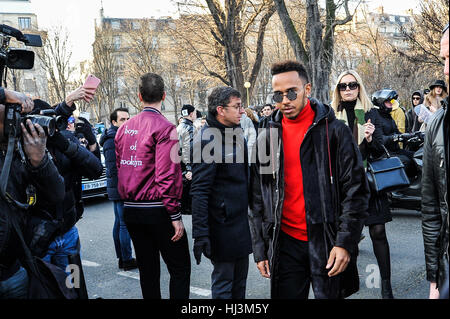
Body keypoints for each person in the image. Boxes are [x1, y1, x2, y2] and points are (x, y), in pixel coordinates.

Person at [248, 60, 369, 299]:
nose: (285, 100)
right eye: (278, 94)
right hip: (284, 243)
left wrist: (345, 242)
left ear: (308, 89)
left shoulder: (334, 131)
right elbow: (257, 195)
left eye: (292, 92)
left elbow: (356, 192)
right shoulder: (267, 133)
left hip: (327, 242)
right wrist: (260, 248)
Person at [115, 73, 191, 299]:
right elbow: (167, 175)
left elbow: (120, 167)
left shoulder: (123, 128)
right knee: (180, 269)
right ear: (164, 96)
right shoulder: (166, 128)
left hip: (131, 208)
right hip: (158, 209)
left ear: (139, 97)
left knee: (148, 272)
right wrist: (175, 215)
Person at [29, 89, 102, 298]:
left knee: (76, 289)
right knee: (47, 291)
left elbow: (95, 168)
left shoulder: (63, 141)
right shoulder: (19, 150)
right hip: (39, 241)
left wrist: (62, 142)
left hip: (68, 235)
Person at [331, 69, 395, 298]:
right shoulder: (331, 114)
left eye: (352, 85)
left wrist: (369, 139)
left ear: (359, 87)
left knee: (378, 231)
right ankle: (347, 286)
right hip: (342, 185)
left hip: (369, 182)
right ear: (338, 90)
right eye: (343, 86)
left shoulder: (371, 113)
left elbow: (383, 147)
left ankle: (386, 287)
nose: (348, 89)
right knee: (348, 236)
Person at [0, 87, 65, 299]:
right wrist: (6, 94)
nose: (18, 121)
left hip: (14, 270)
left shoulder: (20, 152)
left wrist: (39, 161)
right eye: (10, 113)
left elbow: (57, 194)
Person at [190, 86, 253, 299]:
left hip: (240, 225)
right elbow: (199, 191)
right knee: (224, 287)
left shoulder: (237, 134)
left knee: (239, 286)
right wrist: (200, 235)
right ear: (220, 110)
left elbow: (245, 179)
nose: (242, 111)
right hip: (221, 228)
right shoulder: (206, 139)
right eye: (236, 107)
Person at [421, 23, 449, 300]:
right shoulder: (436, 125)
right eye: (444, 59)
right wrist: (435, 277)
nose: (446, 70)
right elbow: (431, 209)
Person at [99, 107, 138, 271]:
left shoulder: (120, 135)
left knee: (119, 223)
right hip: (121, 187)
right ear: (114, 122)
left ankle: (122, 258)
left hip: (119, 186)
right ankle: (127, 259)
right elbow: (114, 168)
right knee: (124, 225)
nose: (127, 122)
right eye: (123, 119)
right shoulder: (112, 139)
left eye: (128, 118)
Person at [368, 89, 415, 177]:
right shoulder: (375, 117)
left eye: (392, 101)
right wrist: (395, 137)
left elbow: (398, 133)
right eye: (388, 101)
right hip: (382, 154)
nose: (391, 103)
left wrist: (412, 135)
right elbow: (379, 139)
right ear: (381, 103)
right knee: (406, 161)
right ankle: (398, 186)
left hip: (394, 151)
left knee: (416, 156)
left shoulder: (388, 117)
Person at [177, 104, 197, 215]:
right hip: (188, 167)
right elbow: (189, 149)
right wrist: (190, 168)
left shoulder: (179, 127)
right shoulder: (190, 128)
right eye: (194, 113)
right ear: (190, 114)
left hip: (180, 166)